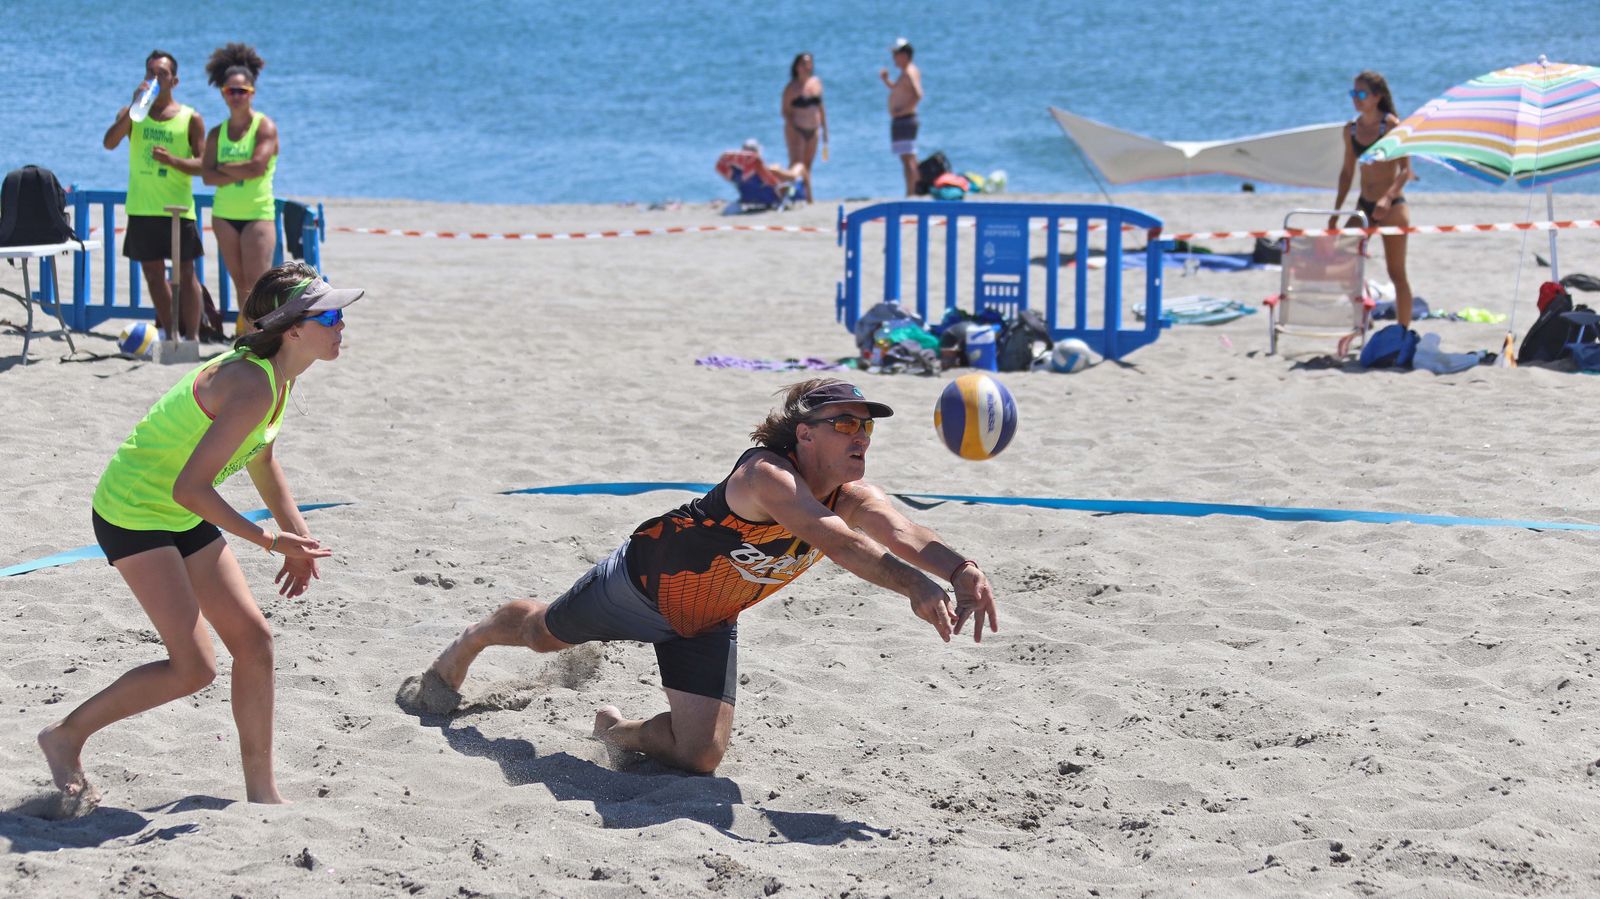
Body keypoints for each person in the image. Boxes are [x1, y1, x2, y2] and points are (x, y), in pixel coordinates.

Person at [414, 379, 1000, 775]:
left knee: (700, 758)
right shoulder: (767, 474)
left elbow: (902, 533)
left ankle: (617, 732)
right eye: (844, 423)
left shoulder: (851, 493)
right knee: (543, 634)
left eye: (867, 427)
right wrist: (917, 586)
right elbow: (839, 542)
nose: (859, 435)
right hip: (642, 584)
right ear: (804, 432)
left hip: (707, 616)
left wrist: (959, 568)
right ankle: (471, 641)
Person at [37, 262, 365, 808]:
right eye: (329, 315)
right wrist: (268, 540)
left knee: (255, 644)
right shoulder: (250, 383)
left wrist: (298, 537)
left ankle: (262, 794)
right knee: (194, 668)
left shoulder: (276, 377)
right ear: (293, 329)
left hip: (177, 508)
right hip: (135, 510)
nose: (341, 325)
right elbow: (193, 487)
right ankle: (64, 737)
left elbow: (262, 457)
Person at [103, 50, 207, 341]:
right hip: (142, 207)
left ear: (175, 80)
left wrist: (173, 161)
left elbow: (204, 165)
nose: (155, 79)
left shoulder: (190, 118)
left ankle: (193, 337)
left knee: (185, 274)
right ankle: (172, 333)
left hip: (178, 208)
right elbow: (109, 143)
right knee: (152, 274)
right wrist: (135, 105)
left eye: (161, 73)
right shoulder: (133, 114)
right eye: (150, 73)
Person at [201, 43, 279, 338]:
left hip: (257, 213)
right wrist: (236, 168)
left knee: (259, 284)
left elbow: (257, 167)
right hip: (225, 215)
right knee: (241, 284)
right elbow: (207, 177)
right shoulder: (217, 133)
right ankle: (248, 338)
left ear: (252, 93)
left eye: (241, 91)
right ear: (222, 93)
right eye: (230, 91)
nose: (235, 96)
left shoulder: (264, 127)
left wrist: (223, 167)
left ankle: (264, 338)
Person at [1332, 70, 1415, 327]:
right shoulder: (1352, 129)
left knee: (1396, 273)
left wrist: (1387, 199)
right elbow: (1347, 174)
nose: (1356, 99)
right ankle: (1364, 316)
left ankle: (1403, 331)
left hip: (1392, 205)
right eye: (1353, 93)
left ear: (1377, 97)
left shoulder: (1390, 126)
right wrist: (1336, 212)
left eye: (1361, 94)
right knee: (1342, 259)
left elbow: (1406, 171)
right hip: (1363, 205)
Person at [880, 38, 923, 197]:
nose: (894, 58)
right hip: (903, 118)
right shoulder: (906, 72)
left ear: (905, 55)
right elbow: (899, 91)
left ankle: (911, 192)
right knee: (907, 157)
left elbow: (918, 94)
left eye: (896, 54)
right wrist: (886, 81)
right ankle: (912, 190)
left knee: (908, 158)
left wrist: (904, 110)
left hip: (906, 118)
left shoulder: (910, 71)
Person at [781, 52, 827, 203]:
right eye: (803, 63)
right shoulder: (792, 88)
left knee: (808, 165)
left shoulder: (816, 83)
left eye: (808, 63)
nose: (806, 67)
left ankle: (806, 196)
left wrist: (825, 130)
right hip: (797, 129)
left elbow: (821, 107)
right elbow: (785, 111)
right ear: (796, 67)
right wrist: (793, 128)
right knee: (796, 164)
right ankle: (790, 194)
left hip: (813, 128)